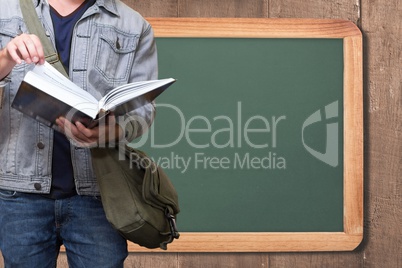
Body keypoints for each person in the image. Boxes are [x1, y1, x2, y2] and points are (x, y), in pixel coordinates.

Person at [0, 0, 157, 266]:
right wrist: (6, 57)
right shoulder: (5, 11)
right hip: (19, 195)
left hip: (98, 194)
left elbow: (143, 112)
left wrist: (109, 132)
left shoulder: (133, 25)